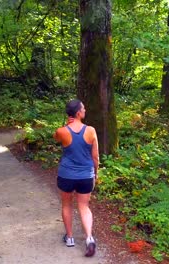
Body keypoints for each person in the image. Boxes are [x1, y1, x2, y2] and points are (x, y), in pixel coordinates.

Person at [53, 99, 99, 257]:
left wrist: (66, 125)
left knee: (66, 204)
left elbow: (55, 137)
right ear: (78, 113)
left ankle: (70, 238)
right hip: (86, 175)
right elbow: (95, 157)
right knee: (84, 207)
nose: (85, 110)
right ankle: (89, 239)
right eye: (83, 109)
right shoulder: (91, 130)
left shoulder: (62, 131)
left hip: (66, 175)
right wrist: (96, 172)